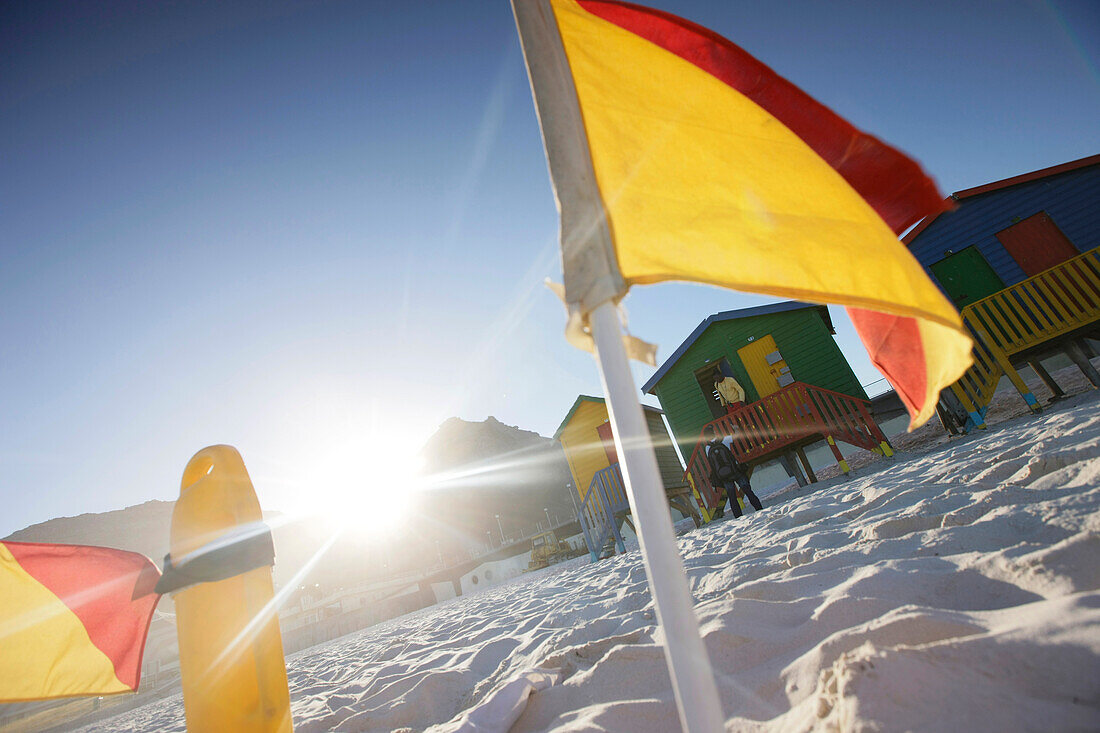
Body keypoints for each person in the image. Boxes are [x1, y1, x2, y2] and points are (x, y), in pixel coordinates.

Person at [703, 426, 763, 518]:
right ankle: (759, 509)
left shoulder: (707, 448)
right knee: (747, 490)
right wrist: (736, 429)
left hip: (724, 476)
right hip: (735, 471)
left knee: (732, 496)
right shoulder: (724, 440)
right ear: (714, 432)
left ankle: (738, 517)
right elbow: (737, 436)